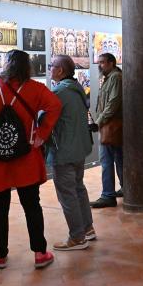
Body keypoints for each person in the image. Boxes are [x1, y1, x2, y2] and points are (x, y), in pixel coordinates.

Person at [0, 50, 61, 270]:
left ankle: (0, 256)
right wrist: (41, 134)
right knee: (32, 205)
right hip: (25, 155)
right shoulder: (35, 88)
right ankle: (40, 254)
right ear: (27, 67)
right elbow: (54, 105)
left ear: (6, 64)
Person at [46, 55, 96, 251]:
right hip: (78, 148)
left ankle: (77, 237)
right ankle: (87, 228)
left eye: (52, 66)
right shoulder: (76, 90)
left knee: (67, 194)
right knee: (78, 188)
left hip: (64, 151)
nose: (49, 69)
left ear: (59, 70)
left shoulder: (59, 92)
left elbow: (46, 118)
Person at [90, 53, 124, 208]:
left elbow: (113, 103)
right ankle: (126, 188)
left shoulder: (116, 77)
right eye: (99, 62)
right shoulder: (110, 77)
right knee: (118, 159)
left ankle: (108, 195)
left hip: (111, 125)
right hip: (110, 124)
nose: (100, 65)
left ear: (111, 63)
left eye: (103, 62)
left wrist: (98, 122)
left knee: (107, 161)